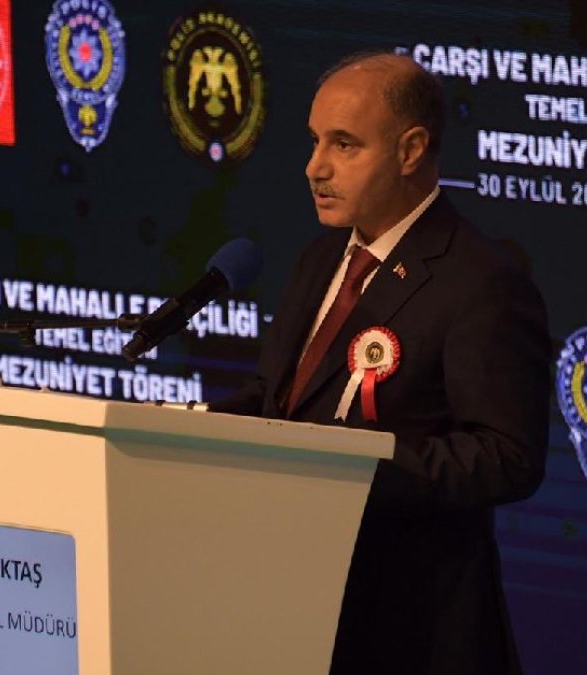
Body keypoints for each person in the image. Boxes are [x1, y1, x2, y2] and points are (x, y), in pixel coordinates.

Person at [209, 52, 551, 674]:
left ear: (410, 150)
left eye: (344, 145)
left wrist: (351, 468)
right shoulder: (320, 260)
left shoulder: (480, 282)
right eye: (315, 141)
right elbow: (277, 400)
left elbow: (507, 456)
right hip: (297, 610)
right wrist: (189, 427)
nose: (315, 167)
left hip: (411, 630)